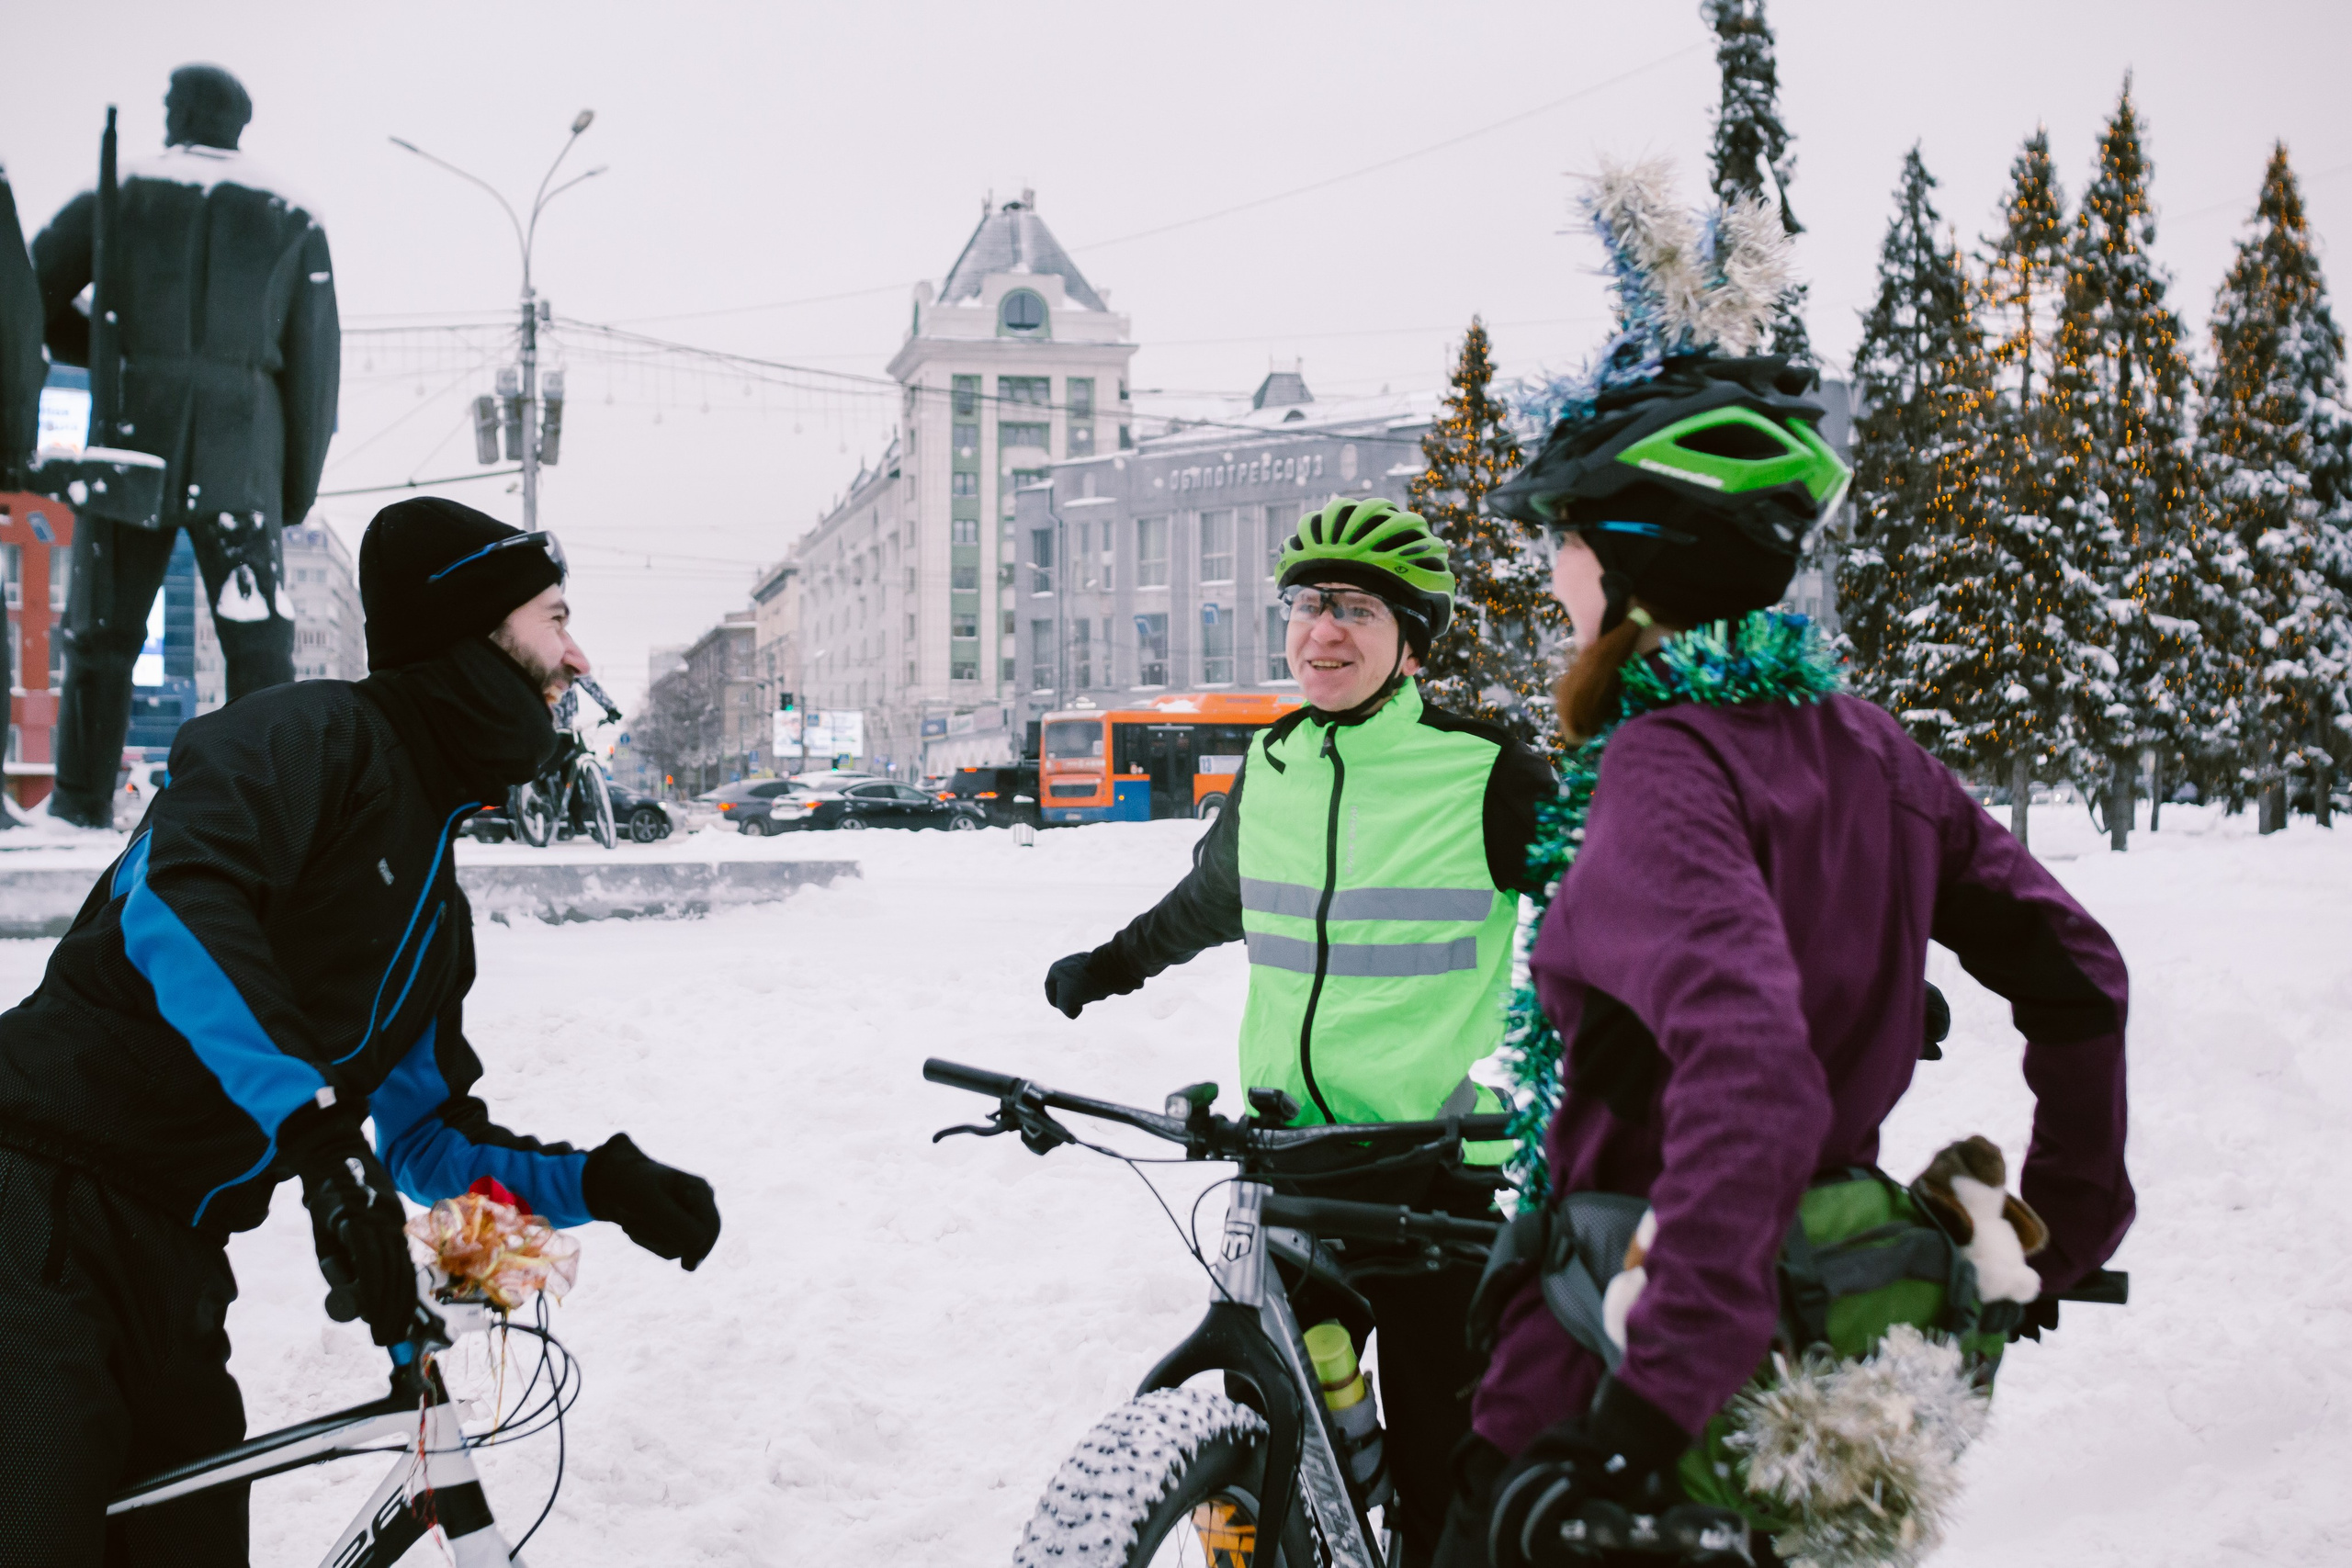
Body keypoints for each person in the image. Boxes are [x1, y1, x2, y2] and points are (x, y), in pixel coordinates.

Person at [1433, 352, 2133, 1567]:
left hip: (1615, 1369)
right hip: (1816, 1358)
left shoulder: (1661, 762)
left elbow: (1751, 1063)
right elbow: (2078, 970)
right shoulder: (1871, 749)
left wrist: (1650, 1404)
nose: (1554, 573)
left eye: (1568, 538)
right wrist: (2054, 1235)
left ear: (1635, 560)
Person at [0, 497, 721, 1565]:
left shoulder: (434, 908)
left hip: (179, 1264)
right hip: (37, 1208)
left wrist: (599, 1184)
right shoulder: (309, 735)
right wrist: (319, 1136)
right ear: (472, 632)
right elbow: (177, 909)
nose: (576, 656)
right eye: (553, 619)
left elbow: (425, 1143)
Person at [1043, 496, 1556, 1565]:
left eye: (1356, 609)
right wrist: (1109, 966)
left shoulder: (1485, 774)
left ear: (1409, 639)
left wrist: (1797, 983)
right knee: (1263, 1467)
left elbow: (1637, 903)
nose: (1321, 630)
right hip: (1284, 1163)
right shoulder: (1269, 768)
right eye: (1306, 604)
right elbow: (1207, 905)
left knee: (1440, 1481)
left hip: (1429, 1179)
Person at [33, 63, 340, 828]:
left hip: (134, 444)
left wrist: (114, 354)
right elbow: (313, 375)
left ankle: (77, 803)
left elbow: (24, 295)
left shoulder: (124, 193)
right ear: (239, 121)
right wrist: (293, 488)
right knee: (258, 637)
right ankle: (261, 805)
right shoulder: (291, 215)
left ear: (181, 114)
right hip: (243, 459)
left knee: (102, 633)